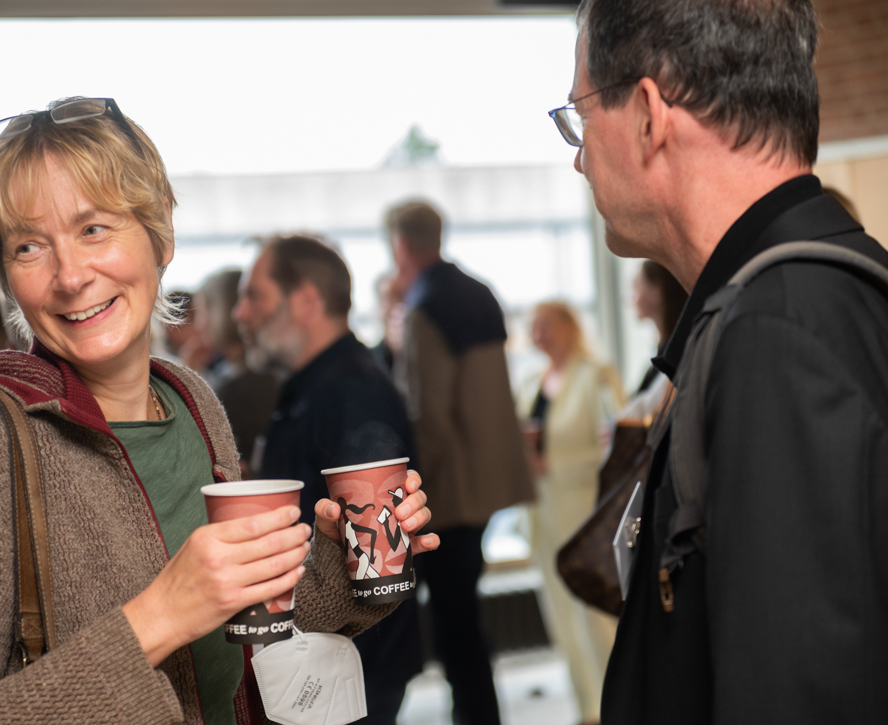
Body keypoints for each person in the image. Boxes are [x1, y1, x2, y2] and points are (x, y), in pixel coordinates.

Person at [0, 97, 438, 725]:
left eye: (93, 229)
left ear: (160, 229)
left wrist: (350, 558)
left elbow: (239, 645)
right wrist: (157, 619)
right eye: (29, 246)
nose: (70, 275)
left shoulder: (191, 402)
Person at [552, 0, 888, 723]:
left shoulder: (784, 327)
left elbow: (804, 692)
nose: (578, 160)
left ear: (648, 114)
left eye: (578, 116)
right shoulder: (821, 292)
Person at [233, 233, 423, 725]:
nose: (240, 314)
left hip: (350, 669)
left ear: (307, 301)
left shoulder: (353, 393)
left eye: (254, 295)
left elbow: (381, 563)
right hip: (316, 659)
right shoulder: (314, 387)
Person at [384, 199, 535, 725]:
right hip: (492, 483)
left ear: (400, 246)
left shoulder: (426, 305)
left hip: (449, 495)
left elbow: (429, 417)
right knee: (466, 620)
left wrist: (408, 495)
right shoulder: (479, 291)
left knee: (454, 630)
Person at [519, 301, 624, 723]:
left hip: (584, 511)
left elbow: (616, 441)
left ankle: (613, 704)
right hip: (542, 514)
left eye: (546, 325)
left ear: (569, 326)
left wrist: (558, 465)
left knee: (593, 617)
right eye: (533, 327)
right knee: (560, 616)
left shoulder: (595, 374)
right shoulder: (530, 382)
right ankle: (586, 708)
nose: (539, 334)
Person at [194, 269, 277, 476]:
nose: (198, 324)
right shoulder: (254, 373)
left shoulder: (240, 387)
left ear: (221, 312)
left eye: (202, 313)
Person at [620, 261, 687, 421]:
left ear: (657, 290)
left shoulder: (678, 352)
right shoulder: (661, 350)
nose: (629, 298)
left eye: (636, 288)